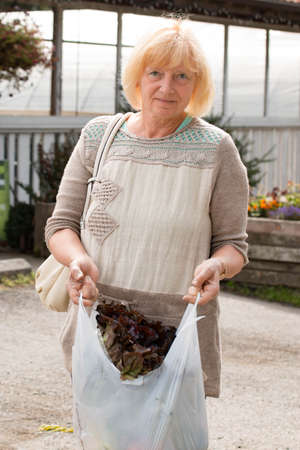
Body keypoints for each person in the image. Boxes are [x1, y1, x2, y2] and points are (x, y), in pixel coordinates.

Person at [45, 18, 248, 400]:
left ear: (197, 84)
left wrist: (217, 266)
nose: (166, 87)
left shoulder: (216, 150)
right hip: (98, 320)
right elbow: (61, 224)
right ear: (138, 76)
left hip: (176, 330)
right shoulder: (97, 136)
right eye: (155, 72)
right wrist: (75, 262)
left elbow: (233, 245)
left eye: (182, 76)